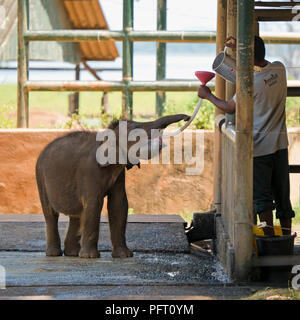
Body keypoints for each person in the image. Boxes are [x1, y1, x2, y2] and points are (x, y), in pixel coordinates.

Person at [198, 36, 295, 236]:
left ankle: (268, 243)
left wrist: (207, 95)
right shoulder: (279, 69)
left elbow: (229, 107)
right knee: (283, 196)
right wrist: (240, 49)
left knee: (262, 200)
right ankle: (285, 239)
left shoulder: (250, 85)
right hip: (280, 145)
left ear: (248, 59)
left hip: (259, 149)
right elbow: (258, 70)